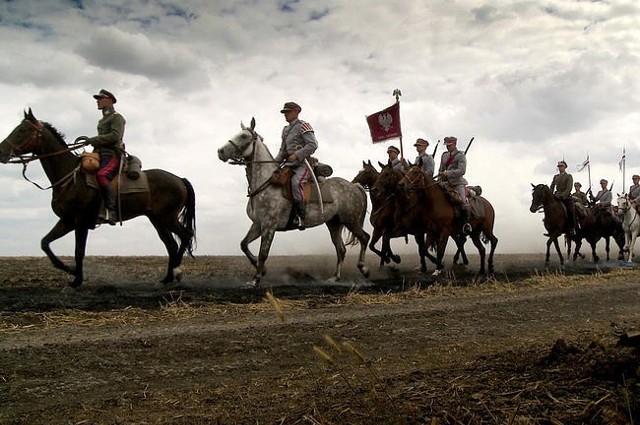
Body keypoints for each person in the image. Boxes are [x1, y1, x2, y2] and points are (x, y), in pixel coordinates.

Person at [275, 101, 318, 230]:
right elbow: (283, 151)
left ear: (296, 111)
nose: (285, 115)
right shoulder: (285, 130)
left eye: (288, 112)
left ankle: (301, 217)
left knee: (296, 183)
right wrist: (273, 163)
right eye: (284, 112)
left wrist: (297, 155)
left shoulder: (304, 125)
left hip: (303, 164)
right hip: (289, 164)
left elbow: (312, 145)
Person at [87, 89, 125, 225]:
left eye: (100, 98)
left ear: (109, 100)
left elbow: (115, 136)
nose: (97, 101)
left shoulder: (117, 118)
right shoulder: (102, 120)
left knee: (102, 175)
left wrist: (95, 140)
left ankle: (111, 211)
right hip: (100, 153)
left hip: (112, 154)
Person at [438, 136, 471, 235]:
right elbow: (441, 169)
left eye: (449, 145)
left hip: (457, 182)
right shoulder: (444, 155)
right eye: (446, 146)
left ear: (455, 144)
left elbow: (462, 170)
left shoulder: (460, 155)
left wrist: (448, 173)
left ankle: (466, 224)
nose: (447, 147)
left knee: (462, 202)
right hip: (445, 183)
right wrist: (440, 177)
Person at [550, 160, 577, 236]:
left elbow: (569, 188)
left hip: (566, 197)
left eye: (561, 166)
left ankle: (572, 228)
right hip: (556, 196)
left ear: (565, 167)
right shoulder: (556, 177)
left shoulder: (568, 176)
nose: (560, 168)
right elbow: (552, 186)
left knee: (570, 211)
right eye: (559, 166)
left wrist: (562, 196)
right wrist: (550, 194)